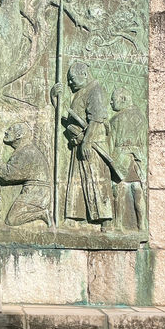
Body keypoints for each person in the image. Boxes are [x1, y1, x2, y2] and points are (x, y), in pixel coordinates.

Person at [51, 63, 113, 229]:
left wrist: (87, 141)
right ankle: (77, 216)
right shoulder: (80, 92)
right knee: (78, 181)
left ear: (84, 74)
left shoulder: (95, 90)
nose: (70, 83)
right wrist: (55, 100)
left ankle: (105, 219)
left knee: (96, 180)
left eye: (72, 79)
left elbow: (96, 119)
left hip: (92, 144)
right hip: (79, 143)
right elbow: (68, 119)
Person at [0, 122, 52, 227]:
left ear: (19, 135)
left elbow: (9, 174)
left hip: (37, 193)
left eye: (10, 129)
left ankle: (41, 214)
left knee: (12, 220)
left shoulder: (27, 151)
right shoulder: (24, 149)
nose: (6, 132)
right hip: (35, 191)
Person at [109, 87, 146, 231]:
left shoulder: (116, 120)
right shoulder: (141, 117)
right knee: (137, 190)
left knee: (119, 190)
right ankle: (141, 225)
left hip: (121, 159)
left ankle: (118, 224)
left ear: (123, 99)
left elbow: (110, 144)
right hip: (137, 160)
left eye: (113, 99)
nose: (111, 103)